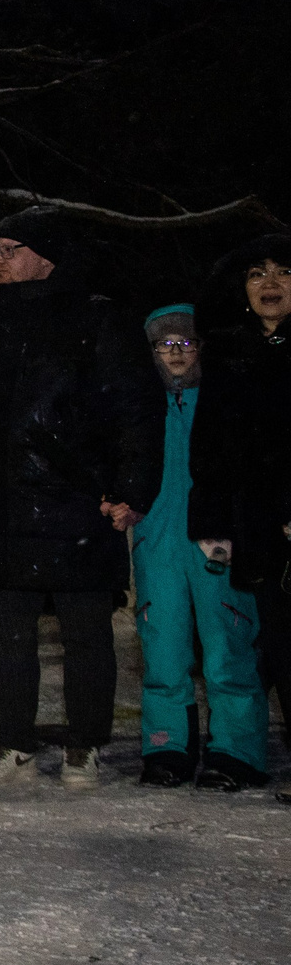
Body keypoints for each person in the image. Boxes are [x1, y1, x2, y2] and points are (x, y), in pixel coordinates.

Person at [0, 209, 162, 788]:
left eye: (9, 249)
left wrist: (131, 488)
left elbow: (134, 410)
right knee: (5, 632)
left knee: (85, 632)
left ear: (46, 256)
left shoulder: (98, 318)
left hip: (77, 498)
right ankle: (14, 742)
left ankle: (84, 745)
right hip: (0, 500)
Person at [131, 305, 265, 791]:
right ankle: (167, 746)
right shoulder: (141, 406)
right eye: (165, 344)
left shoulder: (224, 399)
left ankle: (237, 750)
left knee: (227, 642)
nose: (176, 352)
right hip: (157, 538)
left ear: (202, 348)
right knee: (163, 646)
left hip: (214, 536)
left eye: (186, 343)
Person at [187, 233, 291, 793]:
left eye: (283, 272)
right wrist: (211, 523)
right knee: (279, 645)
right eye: (257, 274)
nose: (269, 284)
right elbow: (210, 445)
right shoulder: (229, 352)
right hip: (260, 527)